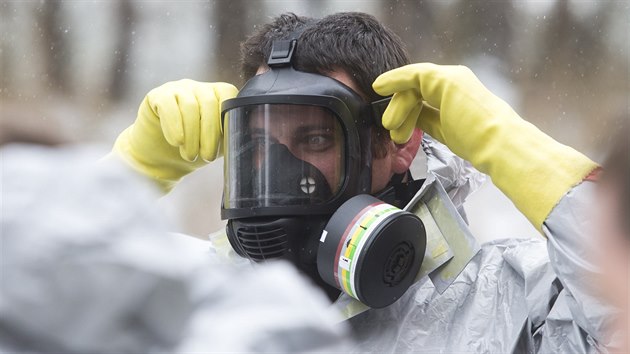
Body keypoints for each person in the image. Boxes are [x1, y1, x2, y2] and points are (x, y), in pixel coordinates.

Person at [112, 12, 623, 352]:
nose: (281, 173)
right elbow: (39, 294)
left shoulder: (507, 298)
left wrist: (518, 151)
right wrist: (130, 172)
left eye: (314, 140)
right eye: (261, 146)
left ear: (399, 143)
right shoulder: (189, 291)